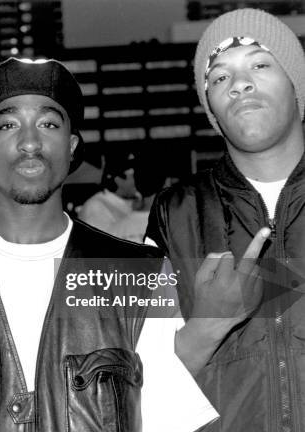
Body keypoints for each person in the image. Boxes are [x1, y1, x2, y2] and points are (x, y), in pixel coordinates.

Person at [0, 57, 221, 431]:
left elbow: (170, 420)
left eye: (48, 124)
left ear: (72, 146)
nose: (30, 142)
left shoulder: (139, 273)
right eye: (9, 124)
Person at [145, 8, 305, 431]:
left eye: (260, 63)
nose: (239, 84)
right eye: (218, 77)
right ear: (211, 107)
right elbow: (139, 380)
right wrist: (205, 328)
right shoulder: (173, 213)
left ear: (296, 84)